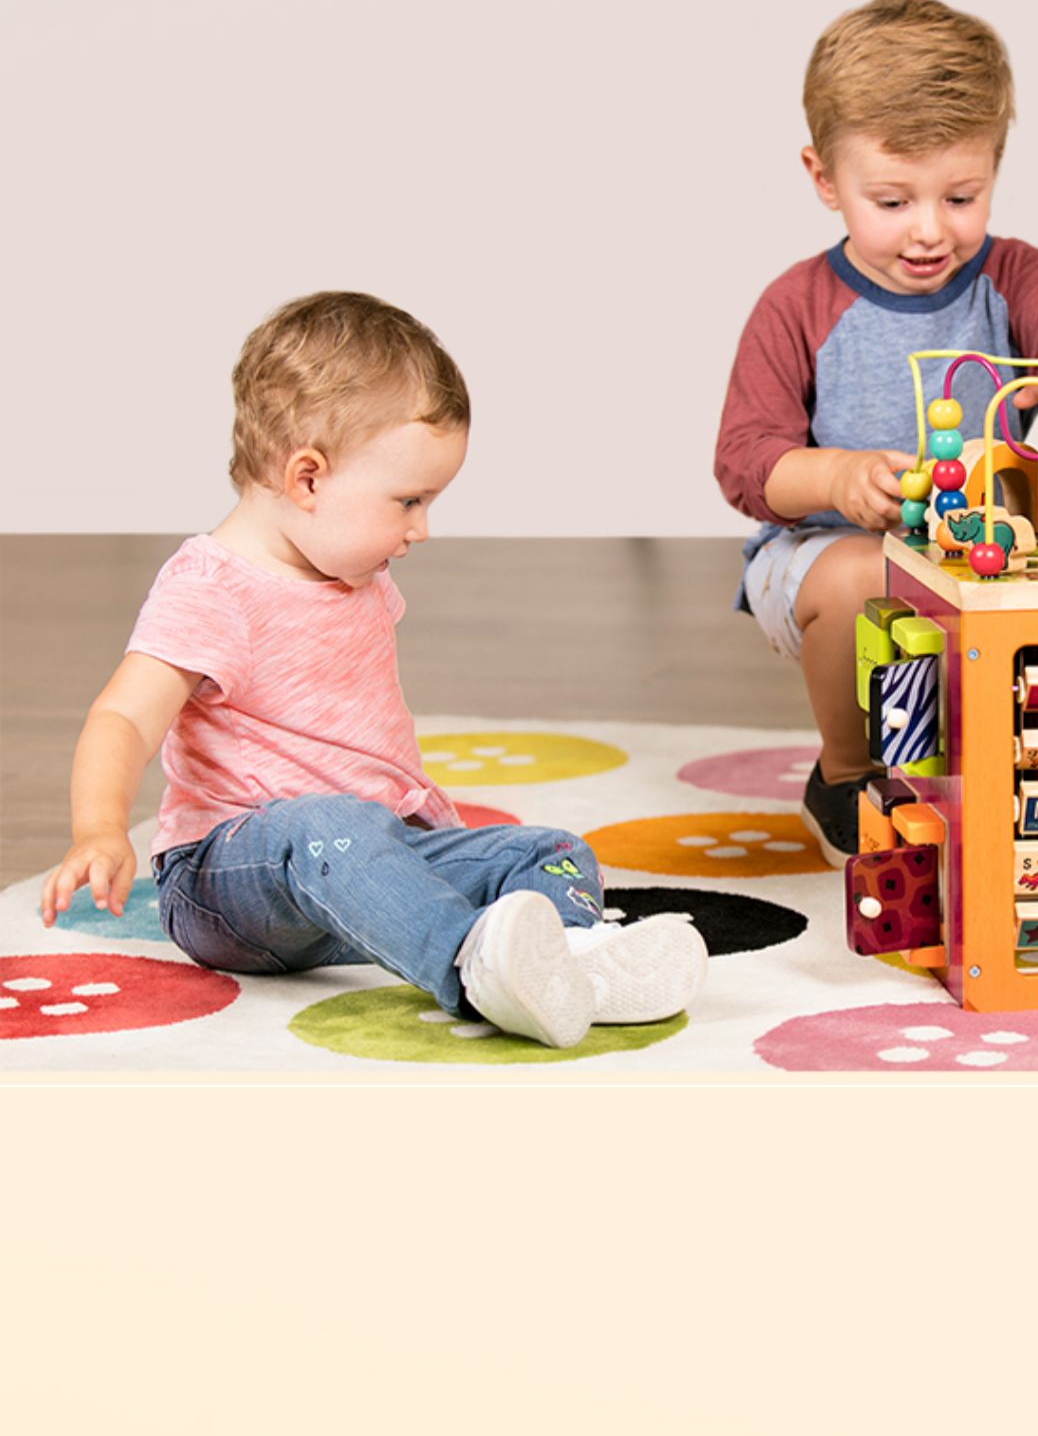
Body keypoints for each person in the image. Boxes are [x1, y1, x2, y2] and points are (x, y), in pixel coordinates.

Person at [41, 291, 706, 1047]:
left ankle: (574, 964)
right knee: (331, 824)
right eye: (409, 501)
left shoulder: (352, 571)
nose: (422, 529)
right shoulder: (211, 589)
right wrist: (99, 828)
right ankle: (473, 970)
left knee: (546, 852)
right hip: (230, 884)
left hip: (363, 865)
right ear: (308, 479)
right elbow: (124, 717)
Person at [714, 0, 1038, 864]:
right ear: (824, 180)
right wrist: (836, 478)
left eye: (961, 196)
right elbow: (746, 461)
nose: (930, 231)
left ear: (994, 169)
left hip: (987, 550)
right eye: (892, 201)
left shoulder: (1015, 276)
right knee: (864, 573)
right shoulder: (797, 305)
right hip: (825, 556)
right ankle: (845, 775)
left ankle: (1025, 769)